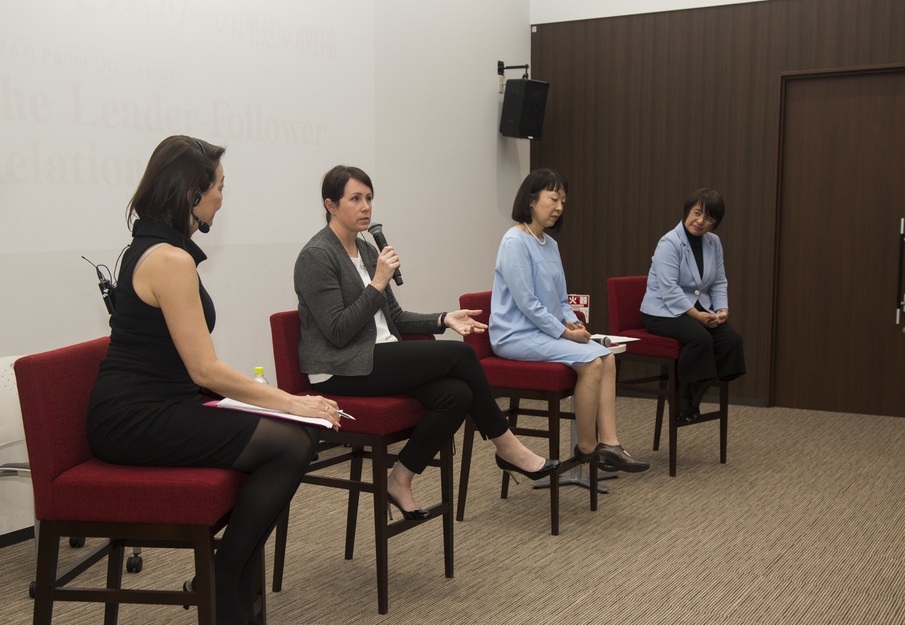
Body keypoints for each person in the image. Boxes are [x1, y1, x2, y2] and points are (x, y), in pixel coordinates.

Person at [87, 135, 341, 625]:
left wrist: (275, 403)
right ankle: (222, 581)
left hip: (162, 405)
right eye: (219, 187)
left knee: (294, 436)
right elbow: (204, 369)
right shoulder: (169, 261)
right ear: (190, 193)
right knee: (292, 441)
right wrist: (293, 401)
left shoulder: (155, 249)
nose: (223, 198)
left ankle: (223, 581)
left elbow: (191, 370)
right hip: (135, 418)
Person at [293, 165, 560, 520]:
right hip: (340, 367)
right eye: (355, 199)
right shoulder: (317, 256)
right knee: (461, 355)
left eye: (369, 198)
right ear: (330, 204)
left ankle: (400, 479)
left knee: (457, 395)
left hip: (378, 357)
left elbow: (396, 317)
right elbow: (338, 331)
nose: (366, 208)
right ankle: (507, 446)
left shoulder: (367, 249)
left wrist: (442, 319)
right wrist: (376, 284)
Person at [491, 168, 649, 474]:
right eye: (553, 199)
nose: (560, 207)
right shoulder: (514, 241)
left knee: (608, 356)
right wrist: (565, 332)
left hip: (544, 331)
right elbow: (528, 304)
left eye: (563, 200)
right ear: (532, 199)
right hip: (515, 335)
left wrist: (572, 323)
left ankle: (610, 444)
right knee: (591, 363)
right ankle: (587, 447)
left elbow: (561, 301)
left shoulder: (550, 245)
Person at [640, 188, 746, 423]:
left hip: (699, 311)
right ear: (687, 210)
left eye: (709, 218)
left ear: (715, 223)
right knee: (701, 339)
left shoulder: (714, 243)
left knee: (731, 341)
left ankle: (691, 396)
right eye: (697, 213)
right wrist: (698, 316)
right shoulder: (669, 242)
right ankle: (681, 400)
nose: (700, 221)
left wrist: (722, 310)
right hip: (662, 312)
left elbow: (719, 281)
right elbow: (669, 289)